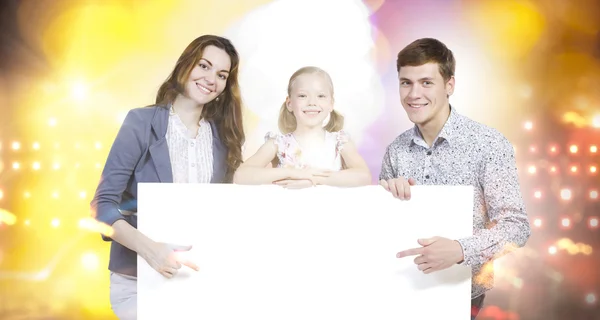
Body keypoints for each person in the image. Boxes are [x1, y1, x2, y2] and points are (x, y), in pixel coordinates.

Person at [90, 35, 245, 320]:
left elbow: (229, 211)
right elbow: (102, 207)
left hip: (199, 282)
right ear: (185, 65)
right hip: (138, 281)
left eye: (222, 75)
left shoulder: (224, 141)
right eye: (204, 65)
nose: (211, 79)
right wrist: (151, 251)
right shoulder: (140, 123)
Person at [378, 38, 531, 319]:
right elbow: (380, 231)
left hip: (460, 298)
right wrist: (383, 195)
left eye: (426, 82)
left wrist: (461, 249)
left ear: (449, 85)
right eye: (406, 82)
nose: (414, 94)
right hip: (398, 295)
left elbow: (516, 226)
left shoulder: (489, 144)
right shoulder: (395, 151)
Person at [233, 66, 371, 188]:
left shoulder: (339, 143)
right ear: (290, 103)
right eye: (303, 95)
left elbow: (363, 176)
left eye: (321, 96)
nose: (312, 102)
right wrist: (294, 173)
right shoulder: (278, 144)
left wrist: (313, 179)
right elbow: (241, 176)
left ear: (331, 103)